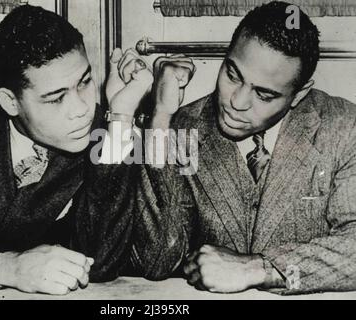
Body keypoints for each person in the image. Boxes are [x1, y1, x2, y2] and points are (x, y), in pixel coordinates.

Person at [132, 1, 356, 294]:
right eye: (232, 75)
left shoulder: (343, 126)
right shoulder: (184, 125)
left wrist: (259, 269)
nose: (236, 102)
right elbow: (156, 261)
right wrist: (161, 117)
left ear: (299, 94)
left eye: (264, 94)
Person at [0, 5, 152, 295]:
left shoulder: (107, 130)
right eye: (56, 98)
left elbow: (101, 262)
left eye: (85, 82)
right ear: (10, 102)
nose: (82, 110)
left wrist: (122, 116)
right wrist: (8, 267)